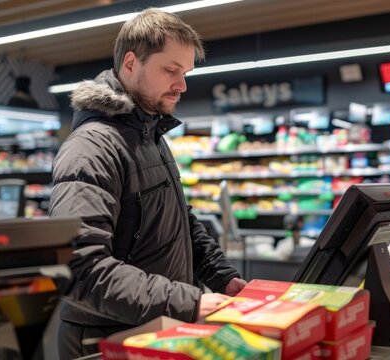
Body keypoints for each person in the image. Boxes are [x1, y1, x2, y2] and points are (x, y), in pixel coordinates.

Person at [49, 8, 246, 357]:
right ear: (130, 63)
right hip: (105, 341)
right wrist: (190, 302)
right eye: (171, 70)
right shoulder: (92, 148)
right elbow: (78, 267)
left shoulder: (150, 135)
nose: (182, 85)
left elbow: (178, 221)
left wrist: (222, 277)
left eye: (184, 72)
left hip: (153, 331)